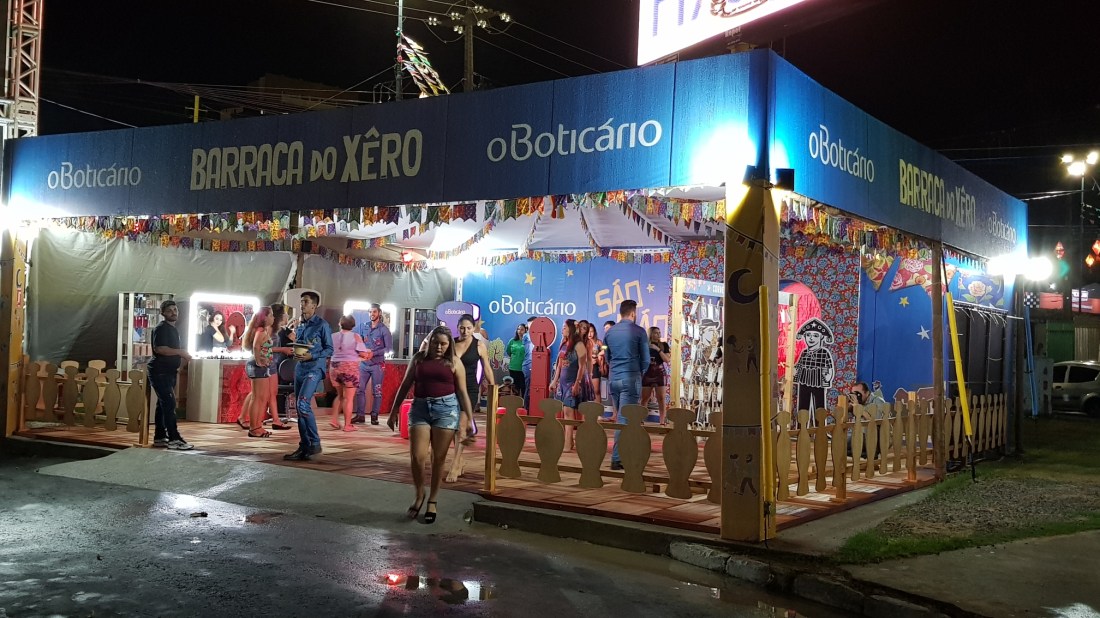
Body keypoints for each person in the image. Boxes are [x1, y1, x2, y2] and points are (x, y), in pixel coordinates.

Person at [387, 326, 475, 525]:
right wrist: (394, 411)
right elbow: (405, 384)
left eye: (444, 344)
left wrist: (469, 420)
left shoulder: (454, 362)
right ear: (429, 342)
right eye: (436, 343)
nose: (439, 347)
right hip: (420, 408)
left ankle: (433, 500)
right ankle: (420, 493)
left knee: (438, 458)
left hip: (446, 410)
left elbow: (462, 392)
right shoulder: (419, 358)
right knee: (417, 456)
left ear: (449, 345)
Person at [284, 291, 333, 462]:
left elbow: (329, 349)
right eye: (301, 301)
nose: (302, 305)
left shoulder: (322, 325)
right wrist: (295, 348)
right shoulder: (300, 324)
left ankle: (315, 443)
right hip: (300, 368)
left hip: (314, 369)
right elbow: (301, 345)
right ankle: (304, 445)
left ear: (314, 305)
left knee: (303, 404)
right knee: (300, 409)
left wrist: (312, 355)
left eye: (305, 302)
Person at [447, 314, 495, 482]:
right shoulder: (451, 343)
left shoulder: (479, 345)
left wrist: (493, 388)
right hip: (451, 388)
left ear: (473, 328)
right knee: (453, 427)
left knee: (462, 426)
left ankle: (454, 465)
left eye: (468, 328)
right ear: (457, 327)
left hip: (470, 389)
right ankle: (459, 460)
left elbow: (487, 368)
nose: (465, 331)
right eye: (462, 328)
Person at [604, 300, 649, 471]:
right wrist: (639, 373)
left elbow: (607, 356)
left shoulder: (610, 332)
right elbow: (645, 359)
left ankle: (624, 454)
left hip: (613, 378)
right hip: (630, 378)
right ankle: (617, 458)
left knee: (620, 418)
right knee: (625, 419)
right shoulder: (639, 331)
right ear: (633, 313)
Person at [148, 299, 194, 450]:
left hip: (168, 371)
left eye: (175, 310)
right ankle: (174, 438)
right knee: (169, 404)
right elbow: (160, 349)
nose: (173, 313)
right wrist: (181, 352)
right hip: (160, 371)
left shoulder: (172, 329)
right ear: (163, 313)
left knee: (162, 405)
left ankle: (160, 436)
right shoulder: (161, 329)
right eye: (169, 311)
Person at [549, 319, 592, 451]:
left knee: (569, 411)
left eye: (565, 327)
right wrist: (554, 381)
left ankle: (568, 442)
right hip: (562, 382)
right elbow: (559, 365)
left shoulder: (579, 345)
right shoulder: (563, 343)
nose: (562, 329)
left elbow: (582, 366)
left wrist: (577, 383)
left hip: (573, 382)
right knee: (564, 411)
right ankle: (568, 440)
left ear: (571, 329)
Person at [353, 303, 392, 425]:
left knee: (377, 392)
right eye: (370, 312)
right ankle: (360, 415)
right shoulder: (363, 327)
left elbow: (389, 349)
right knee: (359, 389)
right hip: (364, 364)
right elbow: (355, 338)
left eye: (374, 312)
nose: (371, 314)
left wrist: (373, 353)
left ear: (379, 313)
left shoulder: (384, 330)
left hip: (377, 365)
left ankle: (374, 416)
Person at [330, 315, 370, 432]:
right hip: (349, 367)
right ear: (353, 325)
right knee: (349, 398)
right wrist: (367, 352)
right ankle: (347, 425)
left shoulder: (333, 336)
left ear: (340, 324)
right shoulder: (355, 336)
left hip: (334, 366)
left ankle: (334, 420)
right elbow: (363, 353)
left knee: (340, 396)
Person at [242, 306, 275, 438]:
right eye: (271, 315)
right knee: (257, 398)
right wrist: (259, 360)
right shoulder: (260, 331)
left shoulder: (263, 330)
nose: (273, 318)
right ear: (264, 317)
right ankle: (254, 427)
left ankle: (257, 426)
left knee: (262, 397)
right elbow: (256, 346)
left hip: (261, 367)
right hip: (258, 367)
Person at [642, 326, 672, 425]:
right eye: (655, 333)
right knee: (645, 398)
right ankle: (641, 419)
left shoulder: (664, 345)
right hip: (647, 373)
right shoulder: (644, 345)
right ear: (650, 334)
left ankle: (662, 420)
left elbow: (667, 360)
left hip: (660, 372)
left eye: (659, 332)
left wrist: (658, 349)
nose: (658, 335)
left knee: (661, 398)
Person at [583, 320, 604, 405]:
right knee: (584, 392)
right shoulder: (583, 342)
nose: (590, 334)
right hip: (584, 368)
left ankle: (598, 410)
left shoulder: (598, 342)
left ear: (594, 332)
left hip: (595, 368)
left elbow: (605, 348)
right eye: (588, 332)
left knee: (596, 390)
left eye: (591, 331)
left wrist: (600, 354)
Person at [504, 323, 527, 396]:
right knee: (515, 388)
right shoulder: (512, 341)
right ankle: (515, 402)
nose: (520, 331)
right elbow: (508, 352)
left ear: (526, 331)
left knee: (523, 387)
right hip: (513, 368)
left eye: (522, 329)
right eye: (518, 329)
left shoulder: (527, 342)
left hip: (523, 368)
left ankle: (524, 401)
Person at [522, 316, 536, 409]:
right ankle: (526, 408)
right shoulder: (526, 336)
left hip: (538, 365)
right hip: (528, 365)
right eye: (529, 324)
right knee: (529, 387)